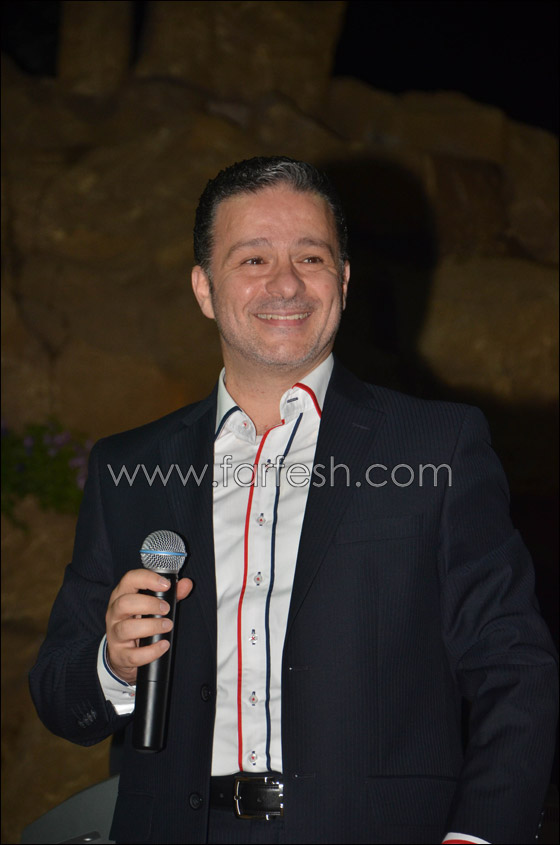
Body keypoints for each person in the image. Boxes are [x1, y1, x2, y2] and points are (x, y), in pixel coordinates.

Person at [30, 156, 557, 845]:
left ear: (343, 281)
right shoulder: (130, 467)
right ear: (204, 288)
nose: (285, 283)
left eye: (311, 257)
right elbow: (58, 694)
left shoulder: (438, 445)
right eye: (253, 259)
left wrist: (479, 836)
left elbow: (514, 666)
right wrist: (114, 663)